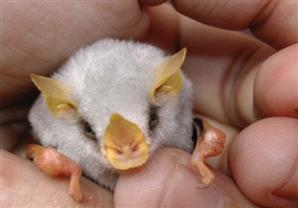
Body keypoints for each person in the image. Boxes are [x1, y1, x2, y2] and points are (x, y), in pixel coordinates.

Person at [1, 0, 297, 207]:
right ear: (63, 109)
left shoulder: (172, 100)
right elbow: (40, 124)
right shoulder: (54, 116)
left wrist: (203, 145)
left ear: (165, 91)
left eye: (150, 121)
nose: (127, 150)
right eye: (92, 131)